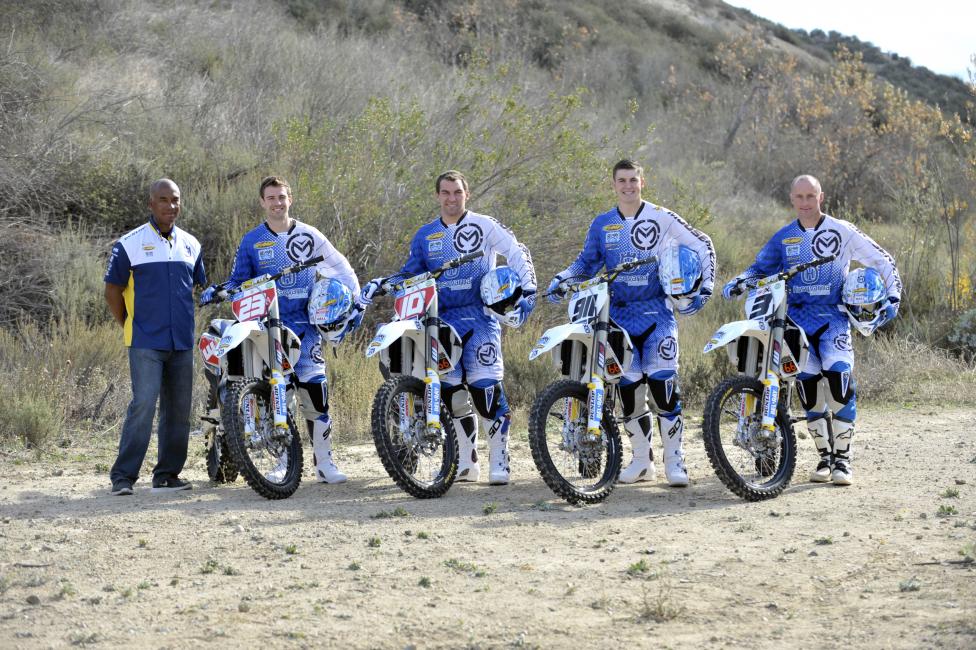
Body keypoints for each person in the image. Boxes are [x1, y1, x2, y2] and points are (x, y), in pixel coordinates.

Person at [359, 170, 536, 485]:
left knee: (486, 391)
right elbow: (410, 274)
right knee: (452, 394)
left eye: (457, 192)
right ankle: (467, 463)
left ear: (466, 193)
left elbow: (516, 251)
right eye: (445, 192)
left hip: (481, 319)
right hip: (440, 322)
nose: (451, 198)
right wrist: (384, 284)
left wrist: (528, 290)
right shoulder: (426, 235)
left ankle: (501, 459)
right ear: (437, 196)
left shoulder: (485, 225)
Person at [723, 174, 901, 485]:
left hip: (833, 319)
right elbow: (759, 268)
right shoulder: (784, 237)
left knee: (838, 380)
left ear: (821, 197)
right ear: (792, 199)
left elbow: (883, 259)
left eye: (811, 196)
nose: (805, 203)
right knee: (808, 389)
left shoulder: (842, 231)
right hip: (795, 322)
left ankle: (843, 461)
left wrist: (893, 296)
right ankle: (824, 458)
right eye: (799, 197)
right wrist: (739, 281)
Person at [548, 159, 715, 487]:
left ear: (642, 182)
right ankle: (642, 461)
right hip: (617, 319)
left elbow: (702, 243)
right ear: (613, 185)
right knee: (629, 393)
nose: (628, 186)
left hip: (658, 315)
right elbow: (586, 262)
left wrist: (704, 286)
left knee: (663, 388)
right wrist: (563, 278)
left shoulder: (663, 217)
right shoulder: (603, 224)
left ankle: (675, 462)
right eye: (621, 181)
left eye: (633, 180)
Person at [201, 176, 360, 484]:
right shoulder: (251, 241)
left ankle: (325, 462)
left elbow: (341, 267)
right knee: (279, 395)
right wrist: (219, 290)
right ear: (262, 202)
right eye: (271, 198)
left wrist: (356, 300)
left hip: (307, 327)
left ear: (291, 199)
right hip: (267, 330)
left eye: (282, 197)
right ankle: (283, 462)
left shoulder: (310, 235)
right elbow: (238, 281)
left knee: (316, 394)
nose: (277, 202)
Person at [105, 178, 207, 495]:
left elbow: (198, 288)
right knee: (144, 405)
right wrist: (129, 324)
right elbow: (112, 292)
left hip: (182, 343)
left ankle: (166, 476)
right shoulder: (129, 244)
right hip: (145, 342)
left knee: (178, 411)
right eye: (163, 200)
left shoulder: (191, 245)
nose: (170, 206)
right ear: (151, 203)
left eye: (175, 200)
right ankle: (123, 477)